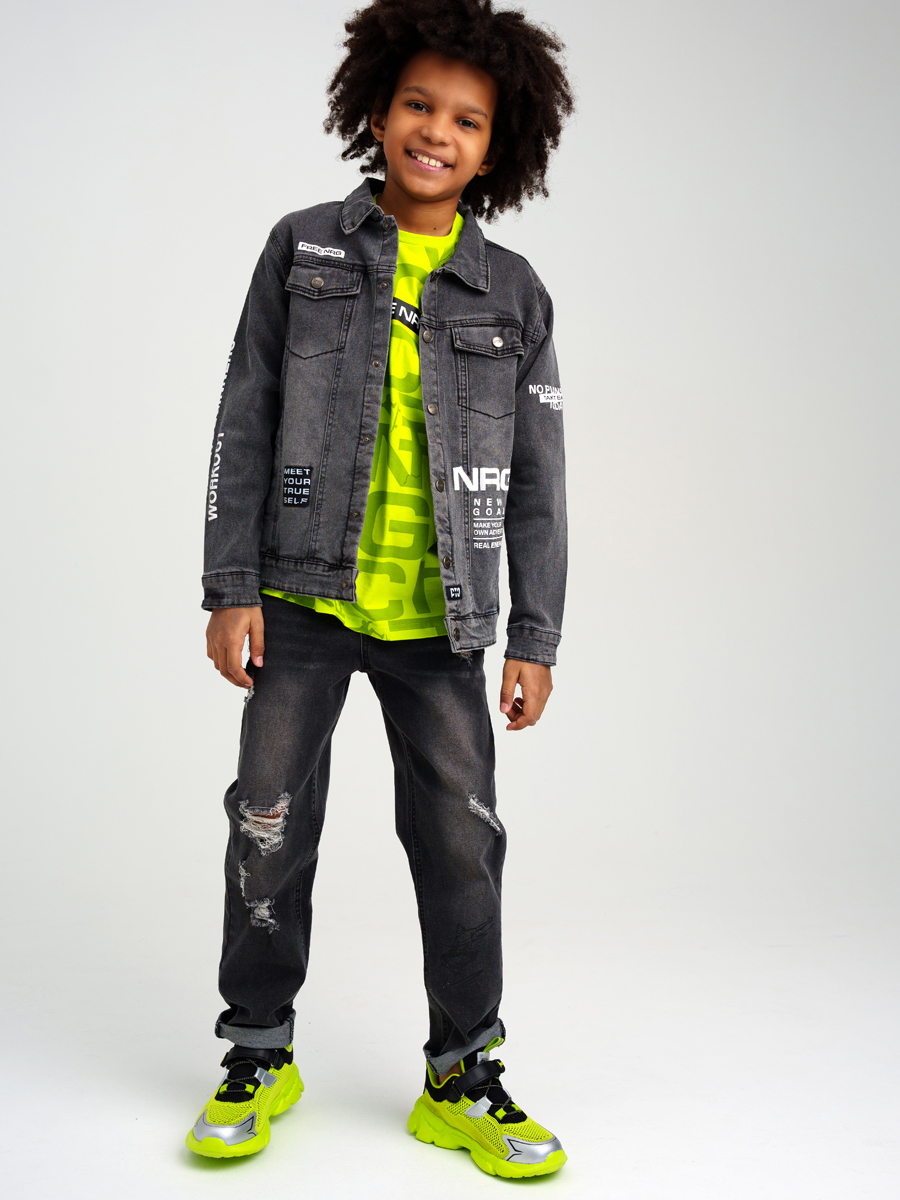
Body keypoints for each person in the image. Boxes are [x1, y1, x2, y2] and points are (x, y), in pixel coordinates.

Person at [187, 0, 573, 1178]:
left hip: (442, 626)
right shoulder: (303, 250)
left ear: (497, 149)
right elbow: (245, 415)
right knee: (267, 824)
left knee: (462, 844)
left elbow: (540, 478)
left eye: (467, 120)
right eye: (418, 104)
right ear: (377, 109)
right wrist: (230, 583)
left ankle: (462, 1075)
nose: (436, 132)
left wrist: (535, 634)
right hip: (300, 605)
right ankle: (259, 1051)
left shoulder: (512, 293)